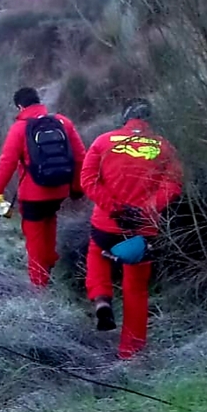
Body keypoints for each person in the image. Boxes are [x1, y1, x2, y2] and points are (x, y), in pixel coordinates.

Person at [80, 98, 184, 360]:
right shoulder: (164, 146)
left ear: (124, 118)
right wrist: (147, 209)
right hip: (142, 229)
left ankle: (102, 299)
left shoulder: (103, 141)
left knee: (97, 254)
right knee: (136, 289)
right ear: (150, 119)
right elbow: (173, 185)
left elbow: (87, 180)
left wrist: (113, 207)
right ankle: (131, 352)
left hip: (106, 223)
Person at [0, 87, 87, 288]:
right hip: (59, 191)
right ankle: (52, 269)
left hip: (33, 195)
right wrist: (77, 188)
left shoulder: (19, 128)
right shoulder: (62, 122)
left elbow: (6, 163)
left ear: (20, 106)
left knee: (34, 242)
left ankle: (39, 289)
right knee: (50, 225)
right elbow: (80, 157)